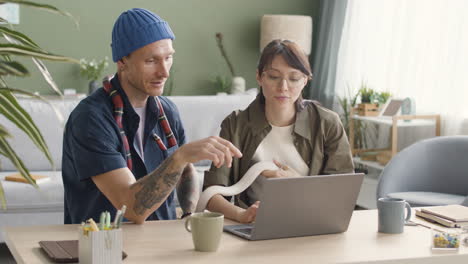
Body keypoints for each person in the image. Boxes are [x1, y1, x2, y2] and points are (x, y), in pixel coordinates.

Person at [62, 8, 241, 224]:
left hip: (159, 238)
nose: (164, 71)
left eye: (168, 58)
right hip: (104, 245)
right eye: (151, 61)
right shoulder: (91, 119)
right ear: (122, 62)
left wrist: (187, 214)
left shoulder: (167, 111)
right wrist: (180, 156)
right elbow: (132, 208)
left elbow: (185, 173)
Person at [203, 39, 354, 223]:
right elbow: (211, 195)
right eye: (274, 77)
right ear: (259, 77)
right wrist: (243, 215)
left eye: (294, 78)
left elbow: (342, 194)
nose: (283, 87)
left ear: (305, 80)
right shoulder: (235, 124)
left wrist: (299, 184)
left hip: (313, 224)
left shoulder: (327, 123)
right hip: (253, 226)